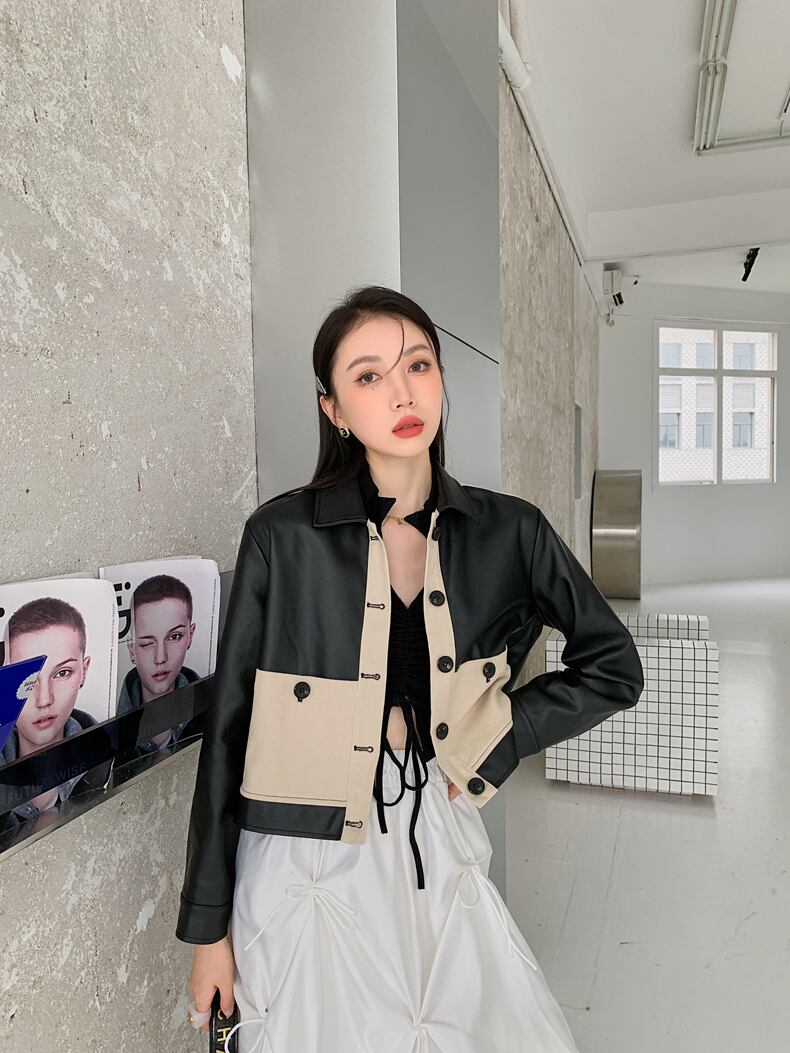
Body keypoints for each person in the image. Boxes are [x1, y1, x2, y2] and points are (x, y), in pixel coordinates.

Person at [178, 285, 644, 1051]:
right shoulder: (280, 537)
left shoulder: (510, 532)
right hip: (298, 863)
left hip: (435, 839)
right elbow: (229, 731)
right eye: (368, 375)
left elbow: (612, 665)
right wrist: (208, 930)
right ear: (333, 408)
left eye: (418, 364)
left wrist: (506, 734)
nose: (401, 391)